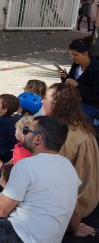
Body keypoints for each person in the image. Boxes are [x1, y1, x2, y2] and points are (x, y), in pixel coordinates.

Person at [42, 83, 99, 219]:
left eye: (45, 98)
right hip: (87, 198)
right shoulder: (79, 127)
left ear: (56, 105)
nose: (42, 101)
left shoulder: (65, 136)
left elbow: (52, 178)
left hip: (75, 206)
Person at [57, 35, 99, 122]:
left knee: (72, 116)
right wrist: (65, 78)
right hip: (74, 100)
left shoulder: (96, 69)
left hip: (91, 104)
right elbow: (71, 82)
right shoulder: (76, 64)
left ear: (85, 53)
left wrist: (78, 85)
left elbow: (96, 94)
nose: (72, 58)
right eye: (71, 55)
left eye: (75, 55)